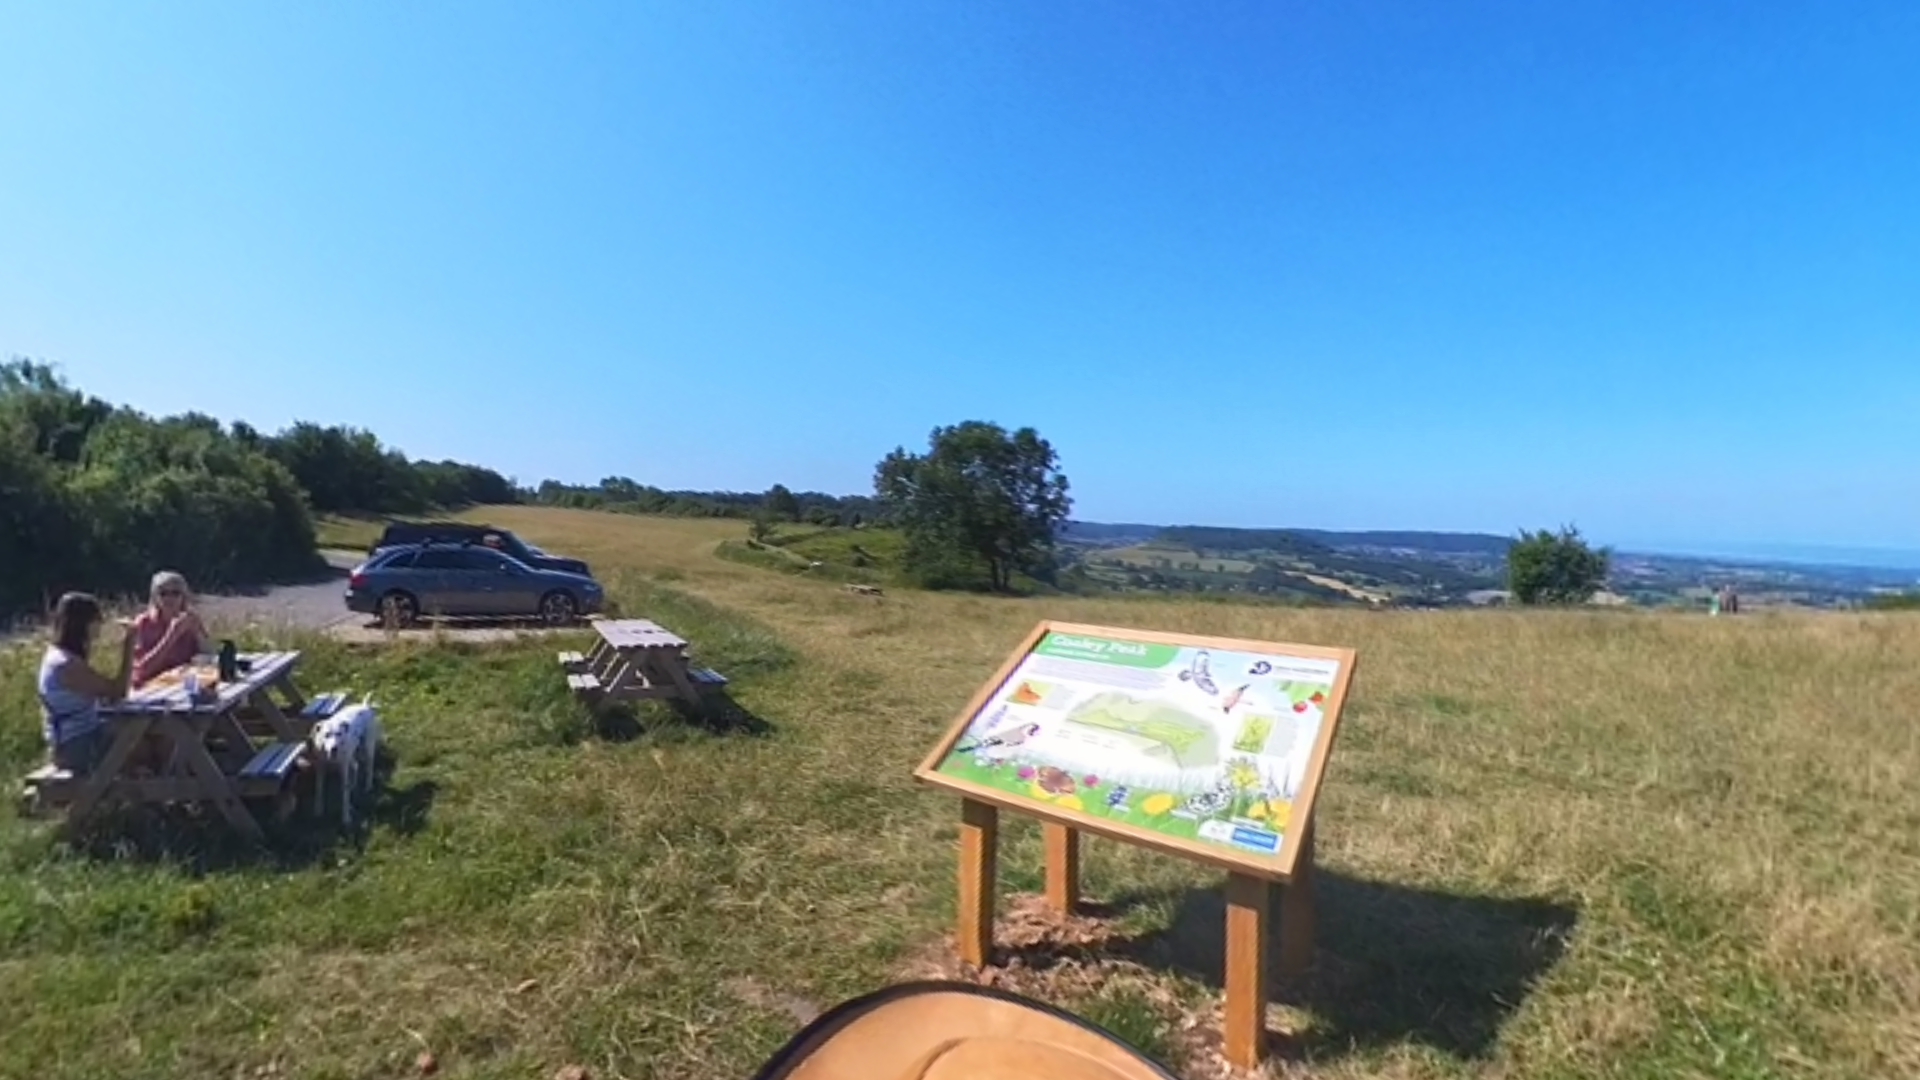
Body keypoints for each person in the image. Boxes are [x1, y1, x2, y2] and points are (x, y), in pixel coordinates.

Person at [38, 591, 135, 773]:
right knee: (141, 743)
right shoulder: (66, 665)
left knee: (140, 735)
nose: (100, 626)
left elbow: (104, 695)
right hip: (75, 747)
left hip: (80, 736)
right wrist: (129, 644)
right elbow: (118, 690)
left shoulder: (63, 656)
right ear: (83, 624)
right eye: (96, 620)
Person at [129, 569, 209, 688]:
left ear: (184, 596)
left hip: (181, 684)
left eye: (175, 593)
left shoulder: (190, 619)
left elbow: (209, 656)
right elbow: (141, 670)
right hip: (150, 687)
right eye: (163, 593)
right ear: (155, 597)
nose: (169, 598)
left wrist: (198, 633)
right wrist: (171, 635)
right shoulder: (143, 623)